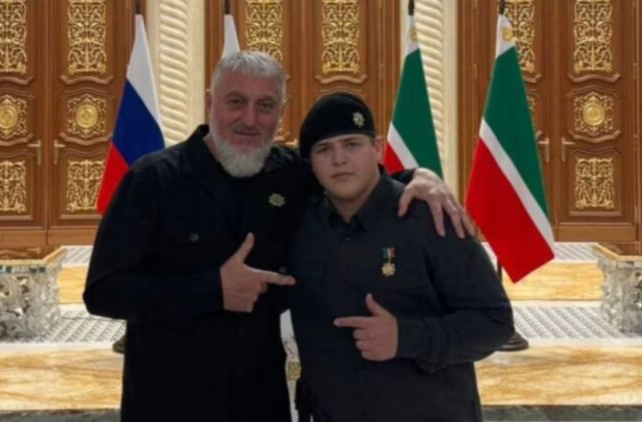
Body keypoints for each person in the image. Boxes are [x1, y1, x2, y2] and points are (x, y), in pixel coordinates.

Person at [84, 51, 472, 422]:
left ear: (280, 113)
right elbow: (103, 292)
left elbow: (355, 180)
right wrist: (213, 289)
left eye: (265, 106)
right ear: (210, 103)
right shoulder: (152, 180)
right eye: (236, 102)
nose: (249, 119)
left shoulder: (292, 175)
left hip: (260, 403)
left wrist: (418, 177)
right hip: (170, 404)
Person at [288, 92, 514, 422]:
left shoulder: (430, 217)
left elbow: (495, 322)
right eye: (324, 149)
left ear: (377, 148)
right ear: (310, 163)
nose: (339, 160)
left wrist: (405, 338)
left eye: (352, 145)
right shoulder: (301, 223)